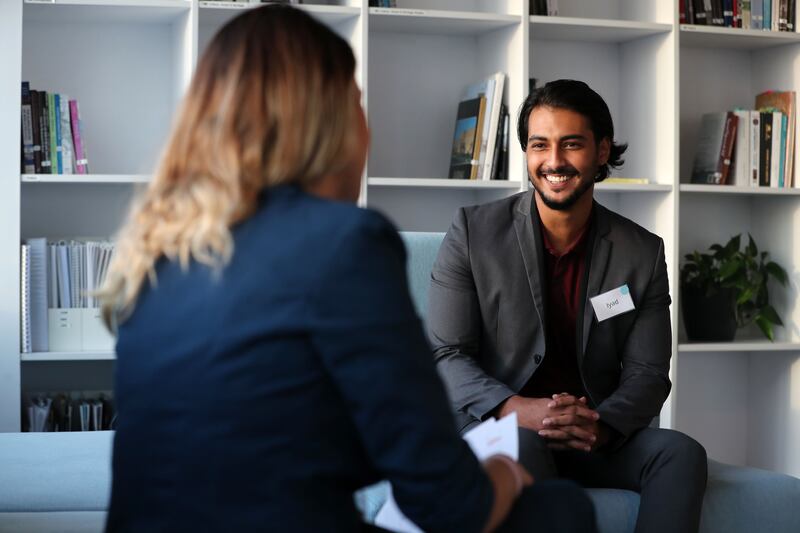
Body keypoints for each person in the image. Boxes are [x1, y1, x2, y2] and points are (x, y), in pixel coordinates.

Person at [99, 6, 596, 533]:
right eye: (358, 105)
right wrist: (507, 469)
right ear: (327, 124)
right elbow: (451, 505)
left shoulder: (156, 255)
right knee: (562, 508)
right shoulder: (344, 244)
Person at [429, 79, 708, 533]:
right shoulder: (472, 232)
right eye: (540, 145)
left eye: (571, 144)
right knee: (526, 447)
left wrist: (598, 425)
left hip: (592, 435)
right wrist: (518, 409)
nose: (554, 161)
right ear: (527, 152)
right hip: (501, 431)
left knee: (680, 453)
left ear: (601, 152)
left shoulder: (642, 252)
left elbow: (649, 373)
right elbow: (447, 355)